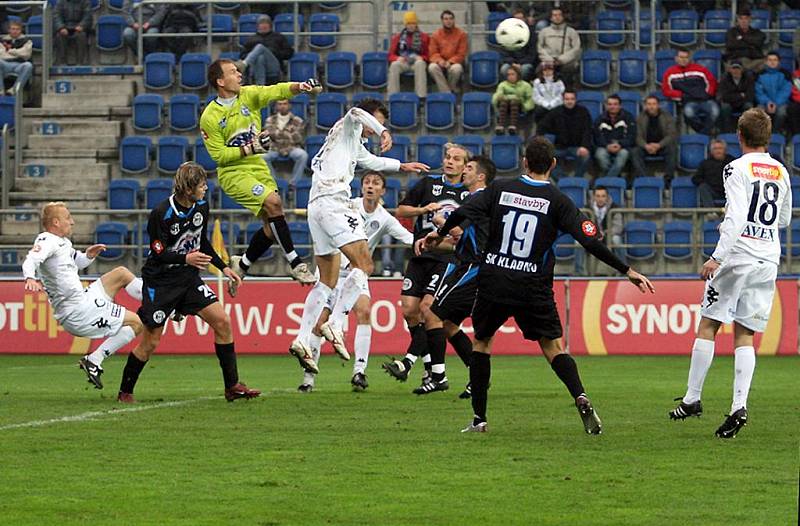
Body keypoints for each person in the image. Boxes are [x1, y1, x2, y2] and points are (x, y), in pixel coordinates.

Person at [424, 137, 655, 433]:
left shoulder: (500, 188)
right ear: (553, 165)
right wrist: (627, 270)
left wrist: (440, 231)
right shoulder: (558, 201)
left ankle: (480, 420)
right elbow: (590, 241)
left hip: (494, 278)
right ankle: (580, 395)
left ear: (524, 162)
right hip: (533, 284)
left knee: (482, 344)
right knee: (552, 347)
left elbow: (463, 212)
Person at [669, 108, 792, 439]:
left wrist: (716, 257)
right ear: (767, 137)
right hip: (768, 258)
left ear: (739, 136)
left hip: (737, 256)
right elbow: (783, 220)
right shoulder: (780, 170)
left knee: (709, 324)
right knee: (745, 333)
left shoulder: (735, 168)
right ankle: (739, 407)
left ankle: (693, 399)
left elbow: (736, 217)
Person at [289, 99, 428, 374]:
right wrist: (382, 132)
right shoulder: (350, 124)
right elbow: (354, 111)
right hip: (333, 201)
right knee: (364, 264)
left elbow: (371, 161)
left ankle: (302, 338)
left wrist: (402, 166)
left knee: (326, 280)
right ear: (369, 118)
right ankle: (336, 322)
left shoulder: (352, 144)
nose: (379, 128)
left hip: (315, 205)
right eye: (378, 121)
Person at [117, 163, 260, 403]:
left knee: (222, 321)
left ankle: (232, 386)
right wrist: (186, 257)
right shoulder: (161, 213)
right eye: (201, 184)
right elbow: (158, 253)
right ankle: (125, 392)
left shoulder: (201, 206)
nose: (206, 187)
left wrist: (224, 267)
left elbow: (201, 241)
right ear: (187, 188)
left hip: (188, 278)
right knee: (150, 341)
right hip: (160, 281)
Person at [200, 59, 319, 287]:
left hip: (258, 166)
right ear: (220, 81)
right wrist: (250, 148)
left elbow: (276, 90)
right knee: (274, 203)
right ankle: (296, 264)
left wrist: (300, 86)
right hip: (233, 173)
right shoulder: (210, 117)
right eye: (233, 72)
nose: (239, 75)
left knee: (271, 228)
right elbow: (219, 156)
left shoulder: (249, 95)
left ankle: (242, 265)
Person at [297, 171, 414, 392]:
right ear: (361, 187)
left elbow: (409, 238)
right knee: (319, 324)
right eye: (367, 182)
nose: (370, 186)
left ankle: (359, 372)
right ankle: (308, 379)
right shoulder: (347, 207)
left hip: (356, 275)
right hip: (332, 273)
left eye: (376, 183)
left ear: (383, 191)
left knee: (364, 311)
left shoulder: (385, 218)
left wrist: (434, 240)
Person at [21, 202, 144, 390]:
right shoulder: (46, 240)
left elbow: (76, 262)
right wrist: (30, 277)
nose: (72, 221)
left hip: (83, 299)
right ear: (56, 222)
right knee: (136, 323)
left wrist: (88, 255)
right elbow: (31, 259)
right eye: (68, 218)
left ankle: (159, 300)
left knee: (121, 273)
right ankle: (95, 359)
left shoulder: (62, 242)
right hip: (78, 312)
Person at [383, 144, 469, 387]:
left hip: (447, 260)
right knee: (409, 310)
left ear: (464, 166)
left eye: (456, 159)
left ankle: (410, 363)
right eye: (447, 157)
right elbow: (401, 210)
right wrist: (423, 208)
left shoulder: (468, 194)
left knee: (428, 310)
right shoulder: (428, 184)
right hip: (420, 255)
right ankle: (431, 368)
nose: (450, 161)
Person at [412, 156, 496, 397]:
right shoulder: (476, 200)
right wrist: (434, 243)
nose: (464, 171)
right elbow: (460, 240)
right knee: (448, 325)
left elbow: (457, 230)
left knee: (432, 313)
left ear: (481, 176)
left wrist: (440, 223)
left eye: (469, 168)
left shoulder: (479, 199)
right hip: (468, 263)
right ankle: (477, 378)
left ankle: (438, 377)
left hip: (474, 267)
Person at [662, 49, 719, 135]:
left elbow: (712, 82)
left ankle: (702, 134)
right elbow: (666, 90)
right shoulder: (670, 73)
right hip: (688, 102)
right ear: (676, 58)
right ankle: (707, 133)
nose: (684, 59)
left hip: (705, 100)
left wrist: (707, 94)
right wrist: (681, 96)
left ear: (690, 58)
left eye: (686, 57)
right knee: (688, 114)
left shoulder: (700, 69)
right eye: (681, 57)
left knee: (715, 111)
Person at [538, 90, 592, 180]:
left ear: (576, 100)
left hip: (577, 147)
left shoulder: (583, 112)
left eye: (572, 99)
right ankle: (562, 180)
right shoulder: (555, 112)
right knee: (545, 158)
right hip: (559, 147)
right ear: (563, 100)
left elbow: (588, 130)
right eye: (567, 99)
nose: (569, 101)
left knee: (586, 157)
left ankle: (577, 180)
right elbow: (542, 126)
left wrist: (584, 146)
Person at [573, 185, 625, 274]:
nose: (600, 199)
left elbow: (618, 227)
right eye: (598, 196)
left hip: (608, 236)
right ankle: (579, 272)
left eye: (603, 196)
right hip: (591, 236)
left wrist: (604, 233)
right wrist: (593, 233)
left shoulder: (615, 208)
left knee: (616, 239)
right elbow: (582, 225)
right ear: (593, 197)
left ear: (607, 197)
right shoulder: (587, 208)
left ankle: (622, 271)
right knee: (577, 242)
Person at [630, 95, 678, 183]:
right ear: (645, 106)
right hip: (645, 147)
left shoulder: (667, 117)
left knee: (672, 149)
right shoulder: (640, 118)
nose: (651, 106)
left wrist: (659, 145)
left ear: (658, 105)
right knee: (635, 151)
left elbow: (671, 135)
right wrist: (646, 146)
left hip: (662, 146)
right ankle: (644, 179)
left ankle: (668, 180)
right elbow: (637, 136)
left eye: (654, 104)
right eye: (649, 104)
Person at [263, 99, 308, 187]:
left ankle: (294, 183)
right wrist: (288, 134)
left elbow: (297, 138)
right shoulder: (270, 120)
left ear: (289, 106)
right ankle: (273, 181)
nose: (282, 106)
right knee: (262, 157)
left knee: (303, 155)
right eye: (280, 104)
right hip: (274, 148)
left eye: (285, 104)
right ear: (276, 106)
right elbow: (268, 135)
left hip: (291, 148)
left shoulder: (297, 121)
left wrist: (277, 134)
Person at [239, 15, 294, 86]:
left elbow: (289, 53)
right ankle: (261, 86)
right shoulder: (251, 39)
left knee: (260, 47)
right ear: (258, 26)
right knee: (260, 58)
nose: (264, 25)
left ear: (270, 25)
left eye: (266, 23)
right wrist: (255, 55)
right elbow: (242, 55)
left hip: (274, 67)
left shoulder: (278, 37)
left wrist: (274, 52)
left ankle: (244, 64)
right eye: (261, 23)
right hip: (255, 68)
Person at [593, 94, 636, 180]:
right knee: (600, 155)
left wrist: (620, 144)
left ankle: (606, 181)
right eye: (610, 104)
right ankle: (616, 177)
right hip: (605, 146)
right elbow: (597, 137)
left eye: (615, 104)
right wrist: (607, 145)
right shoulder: (600, 119)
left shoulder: (628, 118)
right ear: (606, 105)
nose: (612, 106)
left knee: (623, 155)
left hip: (623, 146)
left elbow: (631, 136)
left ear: (620, 105)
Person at [388, 11, 429, 99]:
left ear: (416, 24)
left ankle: (421, 96)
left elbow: (429, 55)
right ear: (405, 25)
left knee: (420, 64)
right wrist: (397, 58)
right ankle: (392, 96)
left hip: (416, 63)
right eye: (409, 23)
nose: (411, 26)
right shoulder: (398, 37)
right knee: (394, 65)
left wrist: (421, 57)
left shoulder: (424, 37)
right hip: (404, 62)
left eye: (413, 23)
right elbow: (390, 55)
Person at [536, 8, 581, 88]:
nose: (557, 17)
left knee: (569, 70)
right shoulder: (544, 32)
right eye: (555, 15)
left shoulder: (571, 32)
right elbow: (540, 48)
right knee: (539, 69)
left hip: (566, 62)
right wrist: (549, 59)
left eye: (559, 15)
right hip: (548, 61)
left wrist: (561, 60)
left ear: (563, 17)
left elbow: (576, 49)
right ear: (551, 18)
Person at [426, 10, 467, 94]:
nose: (448, 21)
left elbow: (461, 53)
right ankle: (448, 93)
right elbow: (432, 53)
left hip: (454, 63)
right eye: (446, 19)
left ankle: (448, 90)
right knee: (432, 67)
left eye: (451, 19)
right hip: (440, 63)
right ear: (442, 21)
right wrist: (440, 61)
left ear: (454, 20)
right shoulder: (436, 35)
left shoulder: (461, 34)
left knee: (457, 68)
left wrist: (450, 61)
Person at [755, 52, 791, 135]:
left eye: (775, 60)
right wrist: (767, 102)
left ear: (779, 62)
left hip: (781, 102)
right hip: (764, 102)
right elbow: (759, 92)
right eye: (770, 60)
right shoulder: (759, 74)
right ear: (766, 61)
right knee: (758, 112)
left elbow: (785, 91)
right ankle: (762, 134)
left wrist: (776, 103)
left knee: (782, 112)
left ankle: (775, 133)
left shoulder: (785, 74)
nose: (772, 62)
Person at [692, 139, 735, 208]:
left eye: (720, 148)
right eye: (715, 149)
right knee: (703, 187)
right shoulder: (705, 163)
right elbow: (695, 178)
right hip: (712, 191)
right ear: (711, 151)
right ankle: (711, 212)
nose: (718, 151)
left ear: (725, 150)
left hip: (728, 190)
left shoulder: (733, 162)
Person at [492, 65, 533, 136]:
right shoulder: (502, 84)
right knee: (504, 102)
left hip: (520, 107)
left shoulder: (526, 85)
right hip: (505, 106)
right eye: (508, 75)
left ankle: (513, 126)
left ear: (518, 75)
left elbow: (530, 99)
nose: (510, 76)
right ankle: (501, 125)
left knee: (514, 102)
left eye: (512, 74)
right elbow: (498, 96)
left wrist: (525, 107)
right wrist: (513, 97)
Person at [717, 60, 756, 133]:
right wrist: (740, 96)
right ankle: (727, 131)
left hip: (743, 103)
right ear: (730, 70)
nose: (736, 71)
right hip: (730, 104)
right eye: (733, 69)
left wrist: (733, 96)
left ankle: (747, 131)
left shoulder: (748, 78)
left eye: (738, 68)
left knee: (749, 106)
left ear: (742, 70)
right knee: (725, 107)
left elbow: (750, 95)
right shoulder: (724, 79)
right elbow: (724, 96)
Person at [499, 7, 536, 81]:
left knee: (525, 69)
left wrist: (520, 63)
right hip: (511, 62)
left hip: (525, 62)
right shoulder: (507, 33)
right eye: (516, 18)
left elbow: (532, 53)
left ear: (525, 19)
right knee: (504, 69)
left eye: (521, 18)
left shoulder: (531, 33)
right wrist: (512, 63)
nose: (518, 21)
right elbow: (504, 52)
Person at [724, 9, 766, 73]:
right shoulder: (731, 32)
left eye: (746, 18)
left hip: (754, 60)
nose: (743, 21)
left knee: (767, 63)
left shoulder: (757, 32)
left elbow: (758, 42)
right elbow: (730, 45)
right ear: (737, 20)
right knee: (729, 67)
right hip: (736, 59)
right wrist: (751, 45)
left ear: (750, 20)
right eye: (741, 19)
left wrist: (742, 38)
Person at [53, 0, 92, 65]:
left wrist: (82, 26)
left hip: (79, 28)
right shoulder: (60, 2)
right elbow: (56, 16)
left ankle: (80, 63)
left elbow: (88, 16)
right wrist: (61, 27)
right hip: (65, 27)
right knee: (59, 36)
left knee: (81, 36)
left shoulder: (85, 2)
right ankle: (62, 62)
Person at [0, 21, 33, 95]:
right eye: (13, 29)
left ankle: (14, 90)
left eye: (17, 29)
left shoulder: (27, 40)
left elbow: (26, 54)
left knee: (28, 65)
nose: (15, 31)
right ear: (9, 30)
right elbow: (1, 54)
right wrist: (18, 53)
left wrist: (10, 51)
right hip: (5, 64)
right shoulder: (2, 40)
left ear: (21, 30)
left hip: (19, 65)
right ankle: (0, 90)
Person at [787, 67, 800, 137]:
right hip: (798, 101)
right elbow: (794, 91)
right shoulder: (795, 75)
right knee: (792, 108)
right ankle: (797, 136)